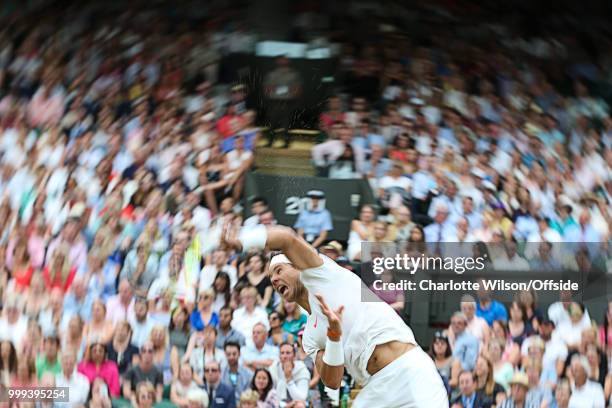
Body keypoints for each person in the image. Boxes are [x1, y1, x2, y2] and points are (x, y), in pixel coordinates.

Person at [225, 224, 447, 407]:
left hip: (409, 371)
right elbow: (332, 380)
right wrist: (333, 335)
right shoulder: (310, 335)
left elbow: (286, 238)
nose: (273, 280)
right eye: (271, 278)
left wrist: (242, 240)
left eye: (279, 271)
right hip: (376, 388)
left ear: (298, 267)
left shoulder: (323, 274)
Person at [263, 55, 302, 148]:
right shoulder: (271, 74)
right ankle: (270, 141)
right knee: (271, 123)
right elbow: (267, 89)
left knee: (287, 123)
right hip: (274, 102)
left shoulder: (294, 74)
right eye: (281, 60)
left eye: (285, 60)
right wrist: (287, 89)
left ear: (288, 61)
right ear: (277, 61)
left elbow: (297, 89)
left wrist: (277, 89)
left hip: (288, 102)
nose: (283, 61)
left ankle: (286, 142)